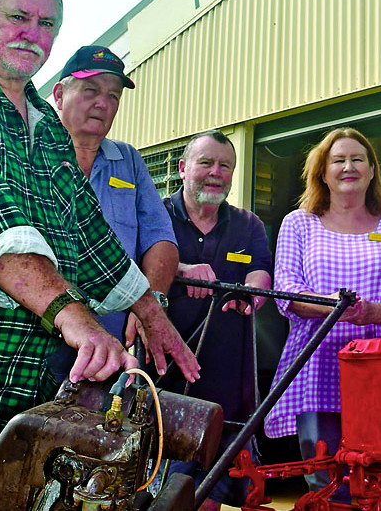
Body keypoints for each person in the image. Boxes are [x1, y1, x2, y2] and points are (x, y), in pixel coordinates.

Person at [0, 0, 198, 511]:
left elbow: (87, 229)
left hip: (16, 395)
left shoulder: (45, 124)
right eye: (19, 17)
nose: (33, 34)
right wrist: (77, 318)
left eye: (48, 24)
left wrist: (151, 310)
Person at [264, 127, 381, 500]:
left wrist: (376, 312)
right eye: (337, 160)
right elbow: (286, 291)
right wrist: (337, 308)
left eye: (358, 159)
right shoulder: (299, 223)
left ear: (372, 170)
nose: (348, 167)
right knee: (326, 482)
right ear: (322, 172)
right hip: (318, 364)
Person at [49, 45, 180, 380]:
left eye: (114, 96)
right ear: (60, 95)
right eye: (91, 90)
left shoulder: (129, 160)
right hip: (40, 341)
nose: (103, 104)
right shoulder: (34, 155)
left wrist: (149, 303)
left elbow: (160, 238)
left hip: (112, 348)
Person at [163, 130, 272, 511]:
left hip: (229, 371)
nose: (216, 173)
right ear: (182, 168)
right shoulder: (156, 214)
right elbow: (135, 265)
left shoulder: (248, 224)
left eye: (225, 166)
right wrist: (180, 269)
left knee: (210, 486)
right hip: (164, 369)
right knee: (160, 479)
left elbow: (261, 273)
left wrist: (253, 293)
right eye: (206, 163)